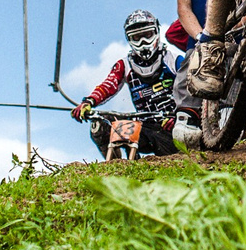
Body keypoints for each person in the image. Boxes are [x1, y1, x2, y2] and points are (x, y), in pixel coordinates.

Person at [73, 10, 184, 158]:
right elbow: (108, 85)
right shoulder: (125, 65)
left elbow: (192, 90)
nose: (143, 42)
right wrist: (89, 101)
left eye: (147, 35)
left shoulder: (174, 59)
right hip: (143, 127)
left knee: (171, 151)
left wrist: (182, 117)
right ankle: (116, 169)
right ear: (129, 39)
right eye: (136, 37)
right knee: (100, 125)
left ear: (156, 32)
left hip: (173, 125)